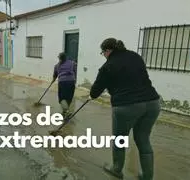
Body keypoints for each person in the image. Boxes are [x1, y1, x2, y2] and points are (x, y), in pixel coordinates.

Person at [88, 38, 161, 180]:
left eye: (103, 53)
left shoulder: (108, 66)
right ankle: (147, 176)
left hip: (127, 106)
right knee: (143, 139)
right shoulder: (135, 56)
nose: (104, 55)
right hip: (152, 103)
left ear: (108, 51)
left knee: (119, 139)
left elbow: (94, 93)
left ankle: (116, 170)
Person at [52, 52, 77, 118]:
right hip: (71, 82)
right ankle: (64, 112)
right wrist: (74, 80)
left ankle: (67, 111)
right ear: (66, 57)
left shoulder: (57, 66)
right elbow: (74, 71)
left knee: (62, 98)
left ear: (59, 58)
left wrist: (53, 80)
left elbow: (55, 76)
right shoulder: (72, 63)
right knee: (69, 97)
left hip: (62, 83)